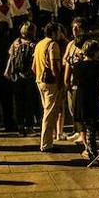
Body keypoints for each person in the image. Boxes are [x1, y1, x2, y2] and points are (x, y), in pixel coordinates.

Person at [71, 40, 99, 163]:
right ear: (96, 51)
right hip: (98, 99)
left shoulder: (77, 66)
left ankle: (92, 155)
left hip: (84, 100)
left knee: (90, 129)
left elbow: (74, 82)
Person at [34, 22, 65, 152]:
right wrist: (59, 82)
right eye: (58, 31)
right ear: (53, 33)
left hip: (40, 81)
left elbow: (33, 66)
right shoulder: (53, 45)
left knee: (47, 111)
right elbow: (54, 66)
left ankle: (49, 140)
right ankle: (46, 144)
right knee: (50, 113)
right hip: (51, 83)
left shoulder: (39, 44)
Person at [5, 22, 38, 135]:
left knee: (19, 102)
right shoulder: (34, 44)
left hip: (17, 76)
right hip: (30, 76)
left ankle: (20, 125)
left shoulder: (16, 43)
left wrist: (8, 72)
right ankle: (29, 126)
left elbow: (11, 58)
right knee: (29, 102)